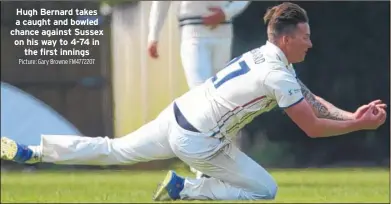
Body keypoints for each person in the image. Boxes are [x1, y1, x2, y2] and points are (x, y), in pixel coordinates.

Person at [1, 2, 387, 201]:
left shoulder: (263, 55)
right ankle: (186, 189)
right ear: (286, 39)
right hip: (198, 140)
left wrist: (349, 113)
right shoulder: (276, 73)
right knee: (264, 190)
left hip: (177, 114)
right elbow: (312, 126)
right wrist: (358, 125)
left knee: (111, 149)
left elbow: (309, 98)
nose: (311, 42)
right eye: (305, 36)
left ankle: (33, 150)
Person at [147, 1, 250, 179]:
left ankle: (225, 161)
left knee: (222, 99)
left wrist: (226, 13)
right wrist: (153, 35)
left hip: (223, 34)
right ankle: (204, 165)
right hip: (192, 33)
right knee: (202, 95)